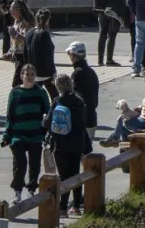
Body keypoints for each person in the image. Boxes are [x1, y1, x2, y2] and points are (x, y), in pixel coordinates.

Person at [2, 63, 51, 204]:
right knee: (20, 163)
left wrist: (47, 132)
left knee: (34, 164)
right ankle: (17, 191)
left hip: (36, 135)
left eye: (31, 74)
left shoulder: (41, 92)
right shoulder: (15, 93)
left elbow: (48, 113)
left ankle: (31, 189)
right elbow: (9, 115)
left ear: (35, 76)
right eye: (26, 74)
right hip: (18, 135)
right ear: (21, 76)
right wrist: (7, 134)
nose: (29, 77)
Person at [45, 73, 88, 218]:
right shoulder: (79, 101)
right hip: (77, 144)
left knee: (63, 176)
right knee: (75, 174)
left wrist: (44, 121)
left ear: (58, 87)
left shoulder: (57, 101)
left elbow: (47, 124)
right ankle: (76, 206)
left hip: (60, 144)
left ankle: (62, 208)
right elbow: (83, 123)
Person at [101, 68, 145, 147]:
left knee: (122, 119)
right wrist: (140, 108)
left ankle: (114, 139)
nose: (144, 81)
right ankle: (125, 146)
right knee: (123, 130)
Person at [92, 0, 125, 66]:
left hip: (101, 11)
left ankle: (100, 60)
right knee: (112, 34)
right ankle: (109, 59)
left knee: (102, 34)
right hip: (112, 11)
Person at [66, 41, 100, 139]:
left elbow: (74, 96)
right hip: (92, 116)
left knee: (79, 151)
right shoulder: (91, 71)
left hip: (81, 119)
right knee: (87, 151)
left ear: (73, 55)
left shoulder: (77, 74)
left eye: (69, 54)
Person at [25, 8, 58, 100]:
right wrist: (53, 72)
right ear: (47, 20)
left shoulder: (29, 33)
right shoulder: (45, 35)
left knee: (33, 97)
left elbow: (25, 54)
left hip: (32, 72)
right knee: (55, 97)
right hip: (45, 72)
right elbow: (48, 56)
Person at [8, 0, 36, 86]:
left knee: (16, 84)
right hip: (17, 55)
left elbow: (25, 39)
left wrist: (14, 33)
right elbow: (14, 41)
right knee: (21, 81)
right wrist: (10, 52)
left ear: (18, 10)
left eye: (12, 8)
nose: (10, 10)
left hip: (23, 56)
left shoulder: (25, 23)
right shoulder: (16, 21)